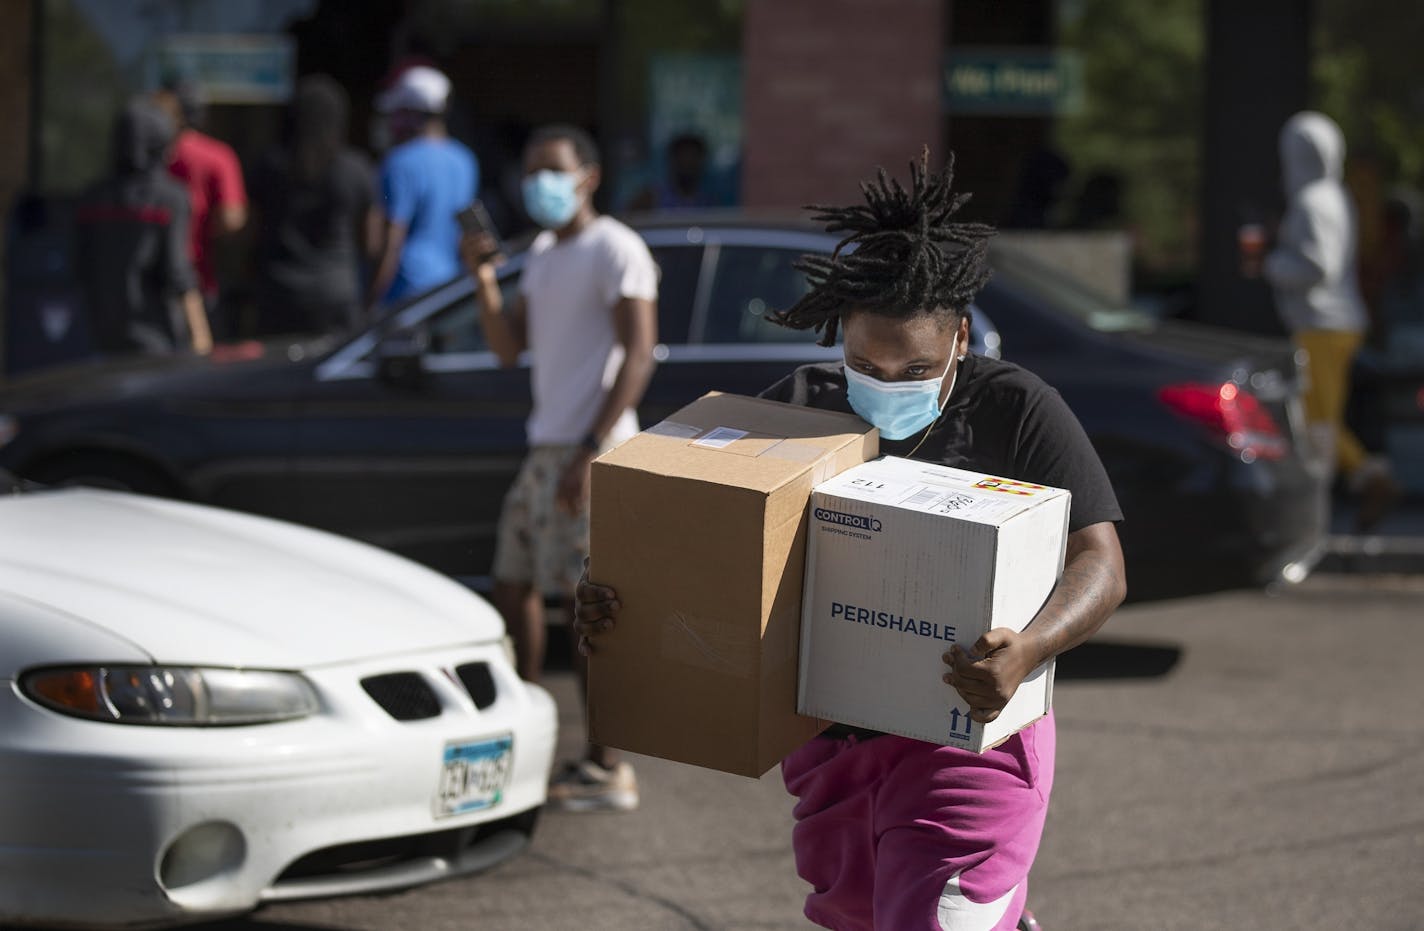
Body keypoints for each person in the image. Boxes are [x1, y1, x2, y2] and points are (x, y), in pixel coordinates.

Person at [575, 150, 1127, 930]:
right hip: (832, 750)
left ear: (962, 339)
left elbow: (1101, 564)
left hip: (969, 747)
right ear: (841, 336)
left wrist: (1030, 648)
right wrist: (619, 594)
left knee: (936, 918)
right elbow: (703, 546)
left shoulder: (1016, 408)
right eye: (867, 362)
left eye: (917, 367)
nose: (888, 385)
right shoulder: (799, 408)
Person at [461, 124, 659, 812]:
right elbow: (508, 348)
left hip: (591, 449)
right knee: (512, 586)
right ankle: (528, 730)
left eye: (552, 169)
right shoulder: (543, 254)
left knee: (589, 614)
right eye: (529, 171)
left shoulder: (616, 248)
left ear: (589, 176)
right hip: (545, 448)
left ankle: (608, 765)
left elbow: (638, 353)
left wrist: (589, 447)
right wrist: (483, 274)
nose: (537, 182)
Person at [1257, 111, 1401, 531]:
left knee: (1316, 422)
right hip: (1337, 323)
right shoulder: (1336, 197)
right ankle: (1362, 481)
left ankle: (1350, 491)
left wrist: (1272, 264)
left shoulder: (1311, 201)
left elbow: (1317, 266)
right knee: (1319, 417)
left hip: (1322, 325)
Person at [76, 97, 210, 356]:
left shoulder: (92, 197)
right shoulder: (170, 198)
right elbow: (178, 272)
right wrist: (201, 338)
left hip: (99, 335)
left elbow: (80, 265)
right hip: (154, 338)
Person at [249, 75, 378, 337]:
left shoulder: (270, 164)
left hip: (279, 289)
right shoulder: (355, 168)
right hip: (335, 290)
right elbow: (372, 242)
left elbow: (252, 229)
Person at [368, 65, 478, 312]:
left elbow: (391, 241)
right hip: (446, 288)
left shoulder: (398, 162)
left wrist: (373, 299)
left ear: (412, 115)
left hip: (403, 291)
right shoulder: (465, 159)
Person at [153, 78, 248, 335]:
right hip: (198, 278)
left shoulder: (154, 155)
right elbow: (232, 218)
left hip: (152, 281)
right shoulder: (218, 156)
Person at [627, 131, 719, 211]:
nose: (687, 164)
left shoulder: (708, 202)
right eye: (683, 161)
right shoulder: (651, 197)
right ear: (672, 162)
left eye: (692, 161)